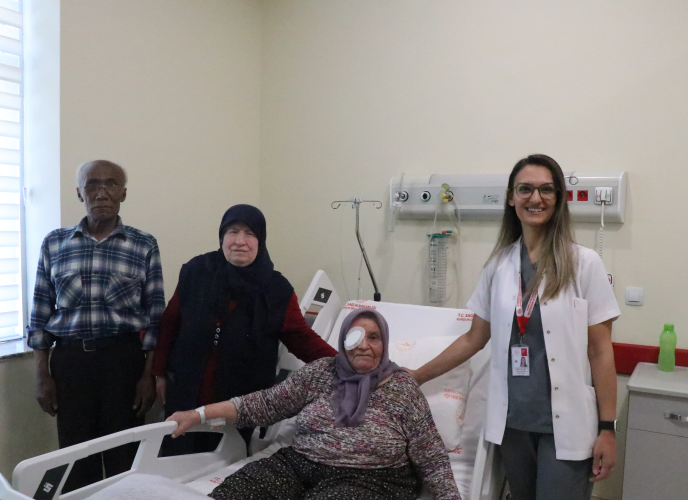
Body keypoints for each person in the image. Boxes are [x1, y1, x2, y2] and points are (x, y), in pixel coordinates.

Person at [412, 154, 621, 500]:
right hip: (512, 426)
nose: (535, 198)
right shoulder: (498, 265)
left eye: (546, 190)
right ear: (511, 197)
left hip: (566, 426)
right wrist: (417, 375)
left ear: (558, 198)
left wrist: (607, 430)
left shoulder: (584, 264)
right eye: (525, 189)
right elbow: (473, 338)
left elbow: (600, 352)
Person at [167, 308, 461, 500]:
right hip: (300, 464)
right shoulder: (320, 372)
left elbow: (431, 455)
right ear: (343, 341)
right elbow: (262, 405)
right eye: (355, 337)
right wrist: (198, 414)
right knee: (243, 488)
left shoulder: (402, 388)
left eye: (374, 337)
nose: (363, 345)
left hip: (370, 480)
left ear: (384, 345)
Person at [152, 204, 337, 453]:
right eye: (232, 232)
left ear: (260, 240)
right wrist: (160, 373)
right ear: (222, 237)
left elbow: (301, 338)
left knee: (225, 462)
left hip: (239, 404)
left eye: (250, 233)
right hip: (186, 391)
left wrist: (347, 366)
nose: (240, 241)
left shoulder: (277, 290)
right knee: (177, 456)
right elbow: (171, 321)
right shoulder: (196, 271)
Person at [28, 160, 165, 492]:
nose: (102, 193)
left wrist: (148, 375)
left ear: (123, 193)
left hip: (123, 363)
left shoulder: (143, 245)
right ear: (80, 193)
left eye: (111, 184)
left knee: (125, 459)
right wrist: (43, 375)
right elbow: (40, 314)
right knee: (76, 459)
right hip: (70, 364)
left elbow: (155, 317)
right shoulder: (54, 244)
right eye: (92, 185)